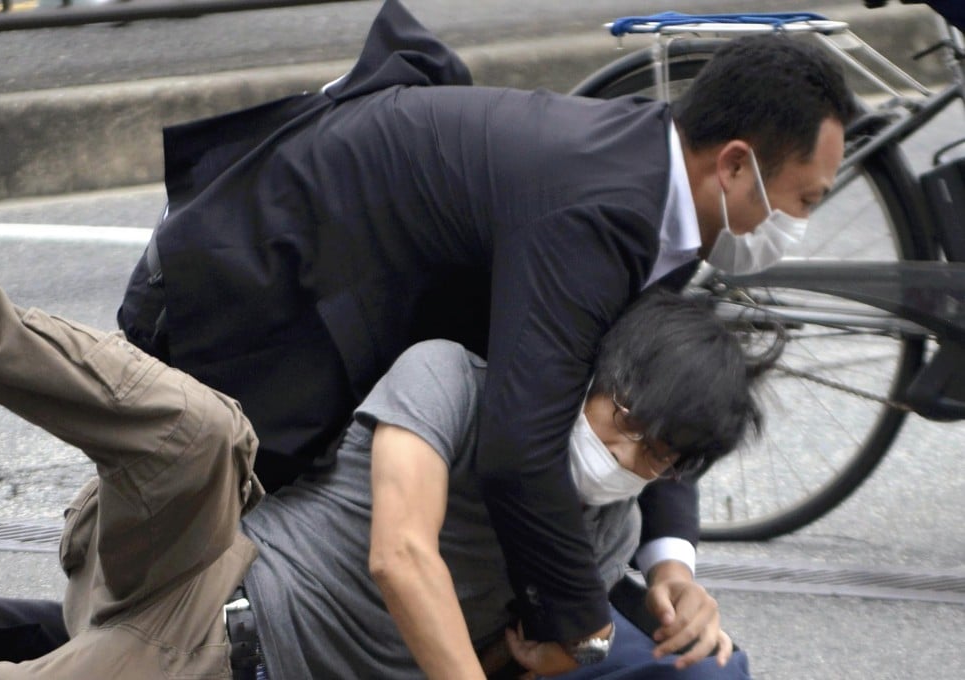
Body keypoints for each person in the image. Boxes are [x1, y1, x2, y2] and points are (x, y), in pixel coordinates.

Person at [116, 0, 855, 660]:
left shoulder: (656, 188)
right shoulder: (602, 213)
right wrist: (584, 633)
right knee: (181, 606)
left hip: (316, 298)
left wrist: (669, 563)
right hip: (228, 295)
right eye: (803, 199)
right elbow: (518, 451)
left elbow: (650, 376)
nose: (797, 225)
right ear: (734, 165)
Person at [0, 228, 758, 677]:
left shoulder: (608, 536)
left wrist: (548, 654)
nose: (623, 454)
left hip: (208, 666)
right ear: (594, 374)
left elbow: (529, 657)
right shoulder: (452, 382)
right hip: (204, 580)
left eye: (656, 457)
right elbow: (399, 554)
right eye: (624, 419)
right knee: (204, 432)